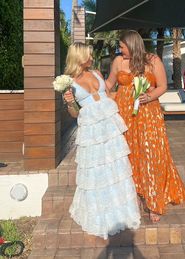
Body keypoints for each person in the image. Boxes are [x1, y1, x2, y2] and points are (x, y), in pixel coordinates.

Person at [106, 30, 185, 222]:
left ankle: (154, 201)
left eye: (122, 46)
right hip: (124, 115)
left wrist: (149, 96)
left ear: (132, 44)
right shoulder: (118, 62)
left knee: (150, 155)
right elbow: (109, 84)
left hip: (148, 114)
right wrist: (90, 88)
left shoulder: (152, 60)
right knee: (130, 155)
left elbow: (162, 86)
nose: (120, 50)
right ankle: (133, 196)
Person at [63, 42, 140, 239]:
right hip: (91, 129)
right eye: (89, 55)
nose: (92, 58)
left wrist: (133, 96)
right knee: (96, 168)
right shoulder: (68, 82)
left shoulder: (96, 72)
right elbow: (73, 114)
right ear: (79, 57)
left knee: (115, 165)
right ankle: (99, 214)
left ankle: (120, 210)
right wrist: (70, 101)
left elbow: (110, 93)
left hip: (109, 124)